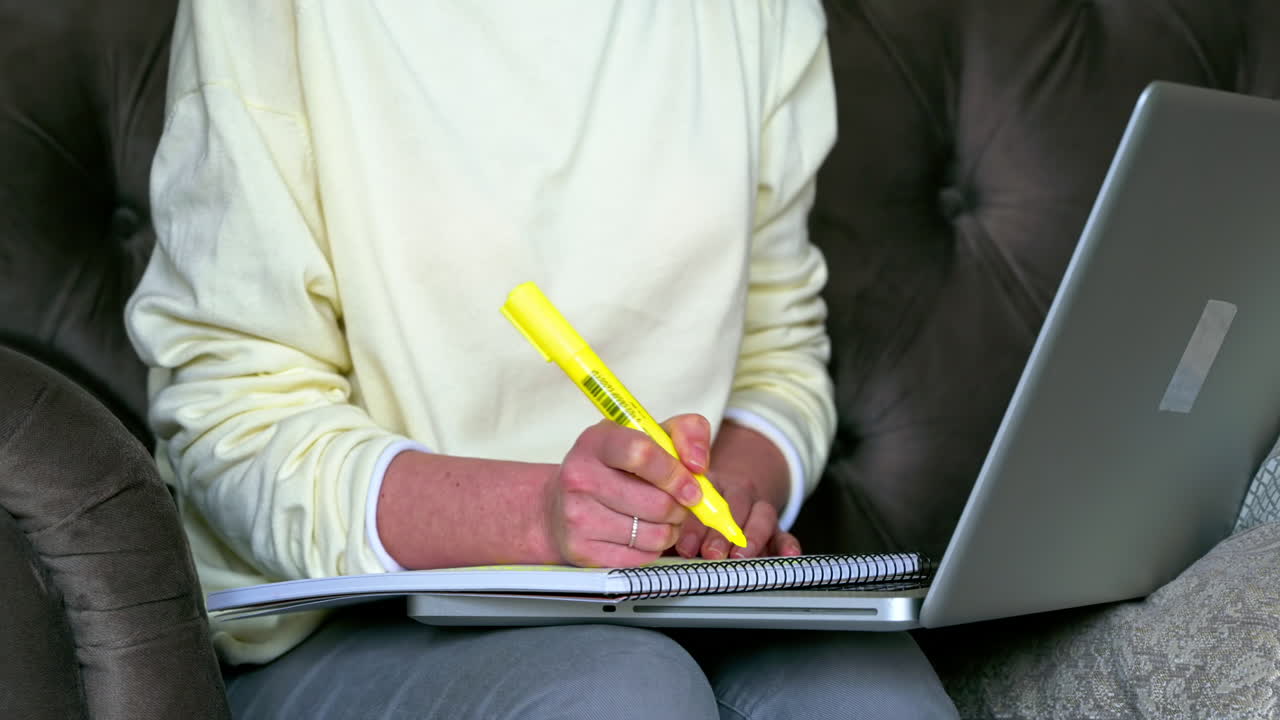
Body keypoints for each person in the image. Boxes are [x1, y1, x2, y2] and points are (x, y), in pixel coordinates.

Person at [125, 1, 960, 718]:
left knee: (874, 697)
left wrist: (732, 495)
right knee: (619, 694)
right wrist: (543, 518)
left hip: (687, 593)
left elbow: (780, 349)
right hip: (354, 616)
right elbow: (231, 414)